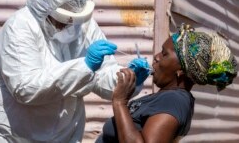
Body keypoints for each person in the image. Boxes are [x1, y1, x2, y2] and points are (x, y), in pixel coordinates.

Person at [0, 0, 150, 143]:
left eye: (74, 21)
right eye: (63, 21)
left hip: (65, 136)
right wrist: (84, 67)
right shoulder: (19, 28)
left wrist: (128, 79)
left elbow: (102, 75)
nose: (70, 28)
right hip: (14, 137)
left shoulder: (82, 24)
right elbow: (26, 88)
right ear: (45, 11)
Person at [96, 24, 238, 143]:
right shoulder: (167, 96)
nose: (156, 57)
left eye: (164, 54)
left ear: (181, 70)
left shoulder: (174, 100)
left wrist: (120, 101)